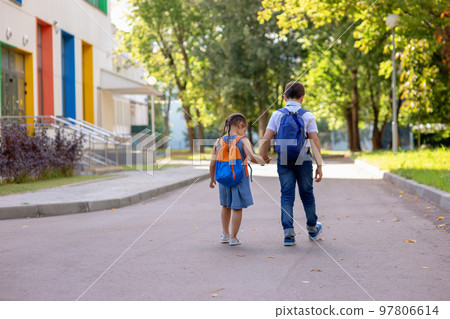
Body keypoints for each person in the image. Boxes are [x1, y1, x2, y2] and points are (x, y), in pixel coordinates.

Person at [260, 81, 323, 246]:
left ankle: (288, 234)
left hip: (285, 157)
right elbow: (314, 140)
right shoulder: (308, 115)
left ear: (284, 97)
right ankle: (312, 229)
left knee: (286, 196)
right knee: (307, 194)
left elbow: (266, 138)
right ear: (302, 98)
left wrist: (264, 155)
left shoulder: (277, 115)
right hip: (304, 158)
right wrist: (320, 165)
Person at [209, 113, 266, 246]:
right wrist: (263, 161)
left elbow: (212, 163)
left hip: (223, 178)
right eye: (244, 129)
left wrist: (212, 178)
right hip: (239, 178)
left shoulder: (218, 141)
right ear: (240, 125)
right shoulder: (243, 140)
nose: (244, 132)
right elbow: (251, 157)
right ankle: (233, 237)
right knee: (237, 207)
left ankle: (225, 234)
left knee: (225, 205)